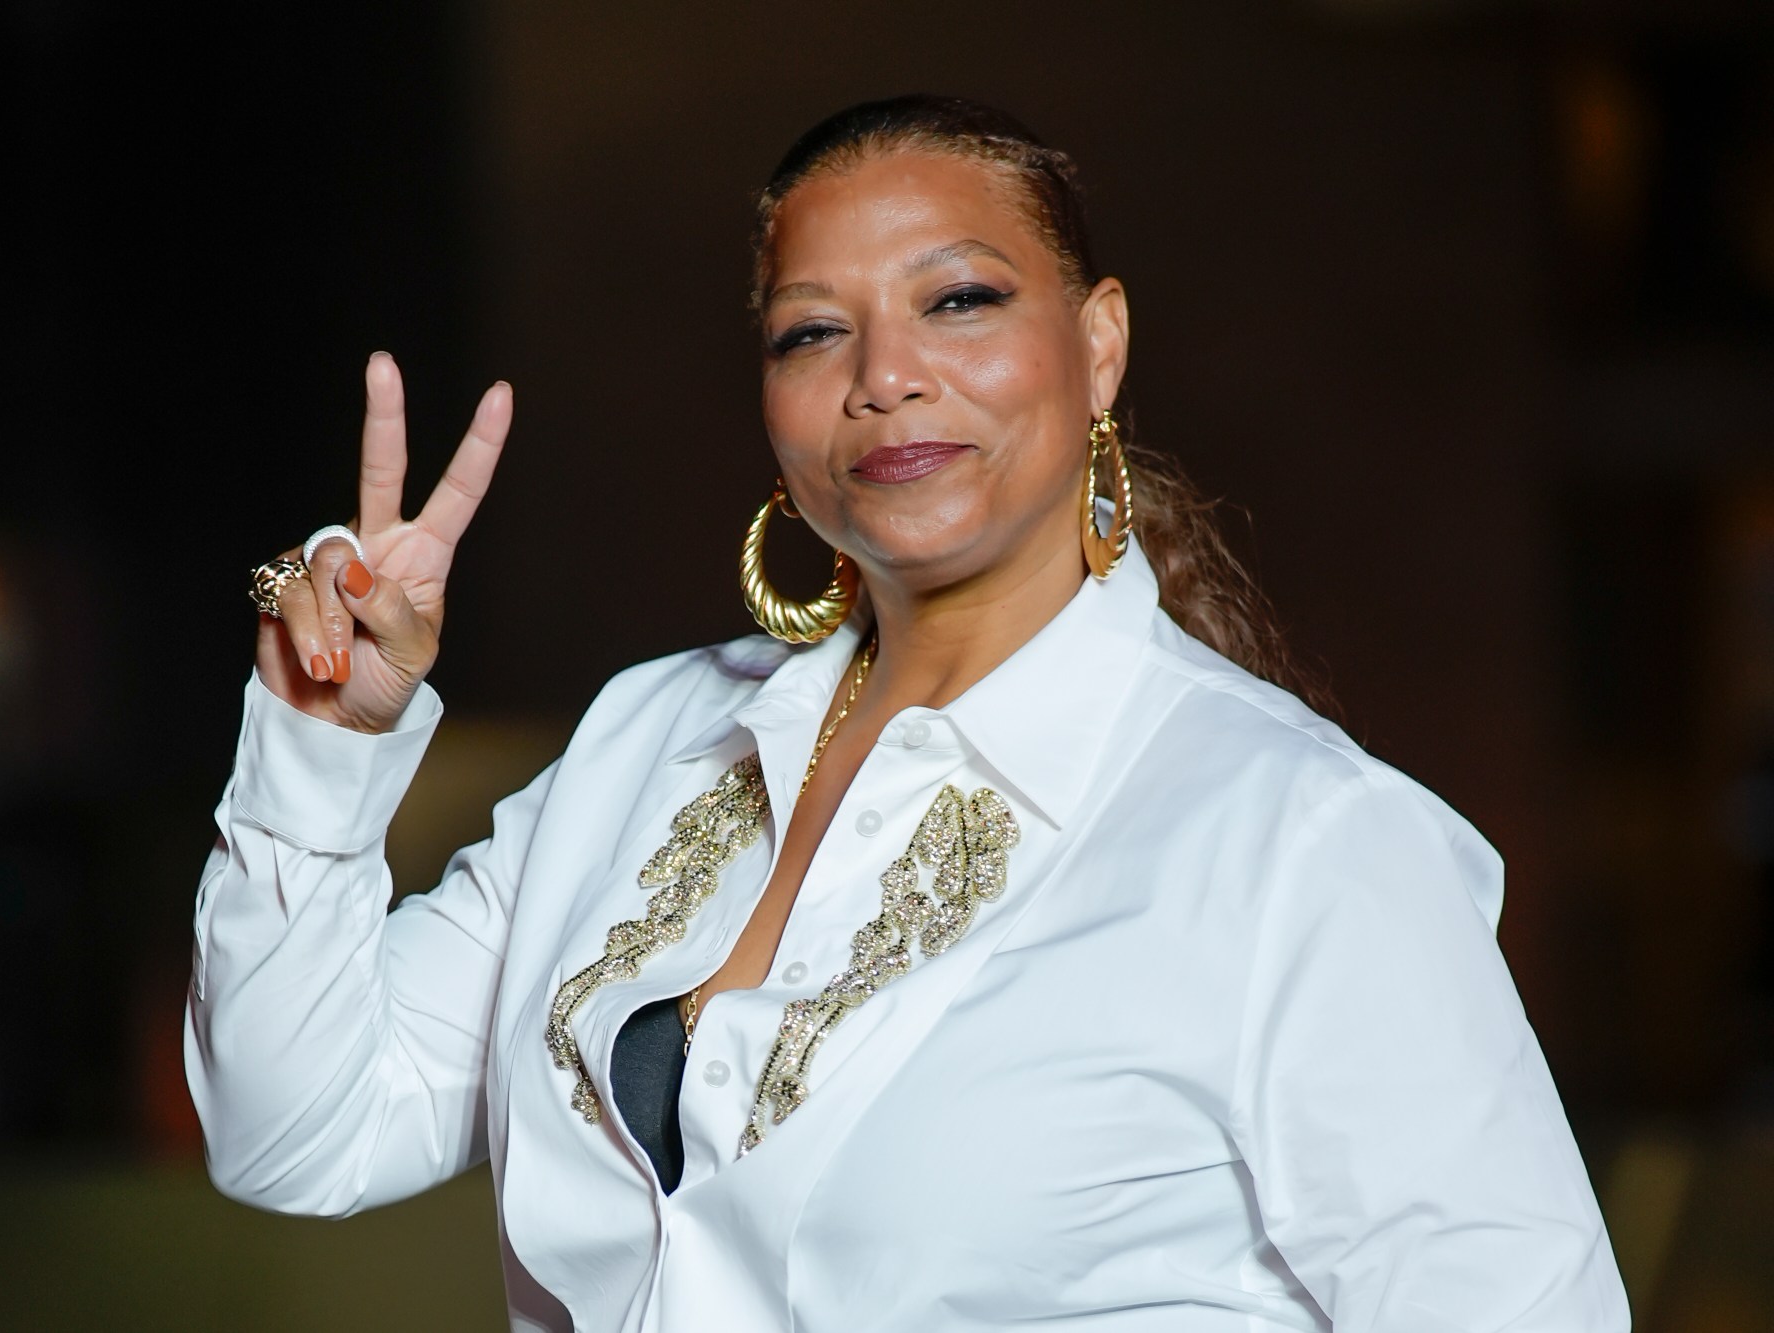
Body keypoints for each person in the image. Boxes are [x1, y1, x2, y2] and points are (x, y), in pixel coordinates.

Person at [186, 96, 1629, 1331]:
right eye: (814, 331)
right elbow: (296, 1131)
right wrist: (327, 729)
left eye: (961, 299)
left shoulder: (1302, 841)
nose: (885, 377)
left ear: (1101, 342)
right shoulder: (649, 742)